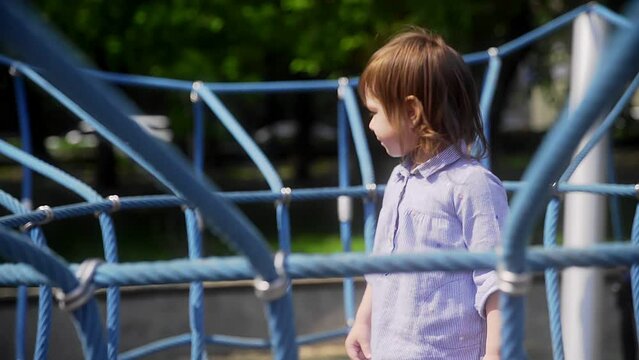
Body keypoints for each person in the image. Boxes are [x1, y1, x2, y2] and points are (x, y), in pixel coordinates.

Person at [344, 27, 508, 360]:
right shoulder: (400, 180)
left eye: (374, 113)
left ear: (411, 112)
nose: (370, 125)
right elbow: (382, 265)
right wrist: (363, 321)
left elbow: (498, 280)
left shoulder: (471, 185)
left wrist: (495, 354)